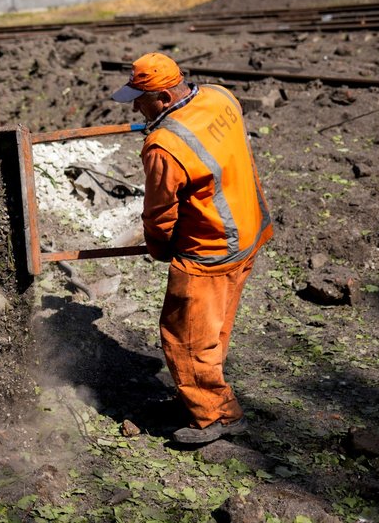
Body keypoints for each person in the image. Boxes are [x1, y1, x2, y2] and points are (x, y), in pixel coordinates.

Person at [111, 52, 273, 444]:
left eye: (140, 98)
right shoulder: (220, 96)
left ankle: (217, 415)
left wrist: (161, 249)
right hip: (248, 232)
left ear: (165, 98)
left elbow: (160, 214)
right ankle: (200, 393)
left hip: (210, 252)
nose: (135, 105)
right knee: (214, 330)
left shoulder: (163, 146)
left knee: (185, 337)